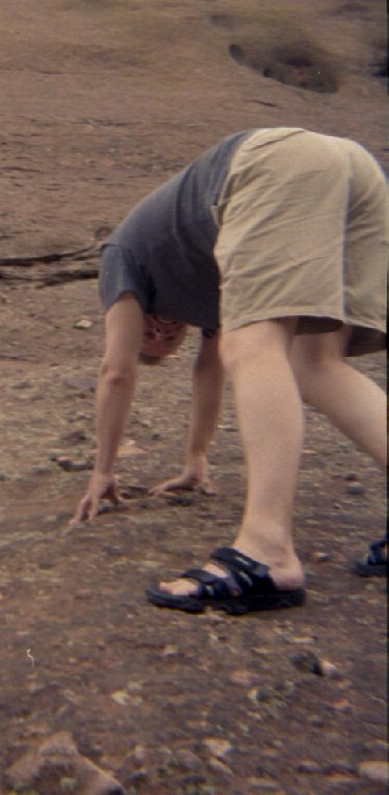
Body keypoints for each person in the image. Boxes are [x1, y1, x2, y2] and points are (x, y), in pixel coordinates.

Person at [72, 127, 387, 614]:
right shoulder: (209, 280)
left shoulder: (123, 257)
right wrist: (196, 458)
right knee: (315, 365)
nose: (156, 332)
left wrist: (103, 471)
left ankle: (266, 550)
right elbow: (209, 368)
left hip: (274, 162)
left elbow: (116, 371)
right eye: (158, 341)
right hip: (352, 166)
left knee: (254, 344)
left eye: (151, 333)